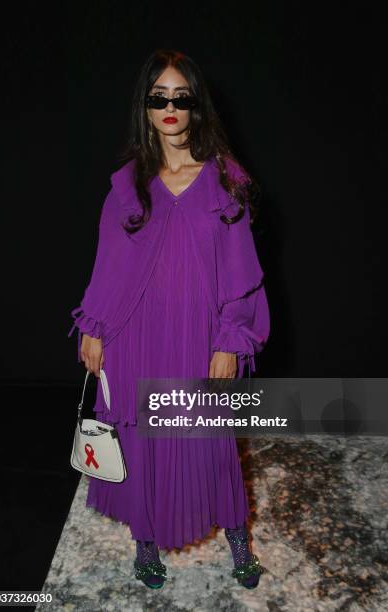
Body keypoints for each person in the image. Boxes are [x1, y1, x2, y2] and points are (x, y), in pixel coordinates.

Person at [68, 49, 270, 590]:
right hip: (136, 334)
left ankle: (238, 540)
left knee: (211, 443)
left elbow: (242, 275)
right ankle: (146, 540)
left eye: (181, 95)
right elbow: (107, 265)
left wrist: (230, 340)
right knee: (141, 443)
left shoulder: (226, 180)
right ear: (146, 107)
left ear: (197, 104)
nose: (171, 105)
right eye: (159, 96)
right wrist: (93, 325)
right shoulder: (126, 184)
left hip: (200, 337)